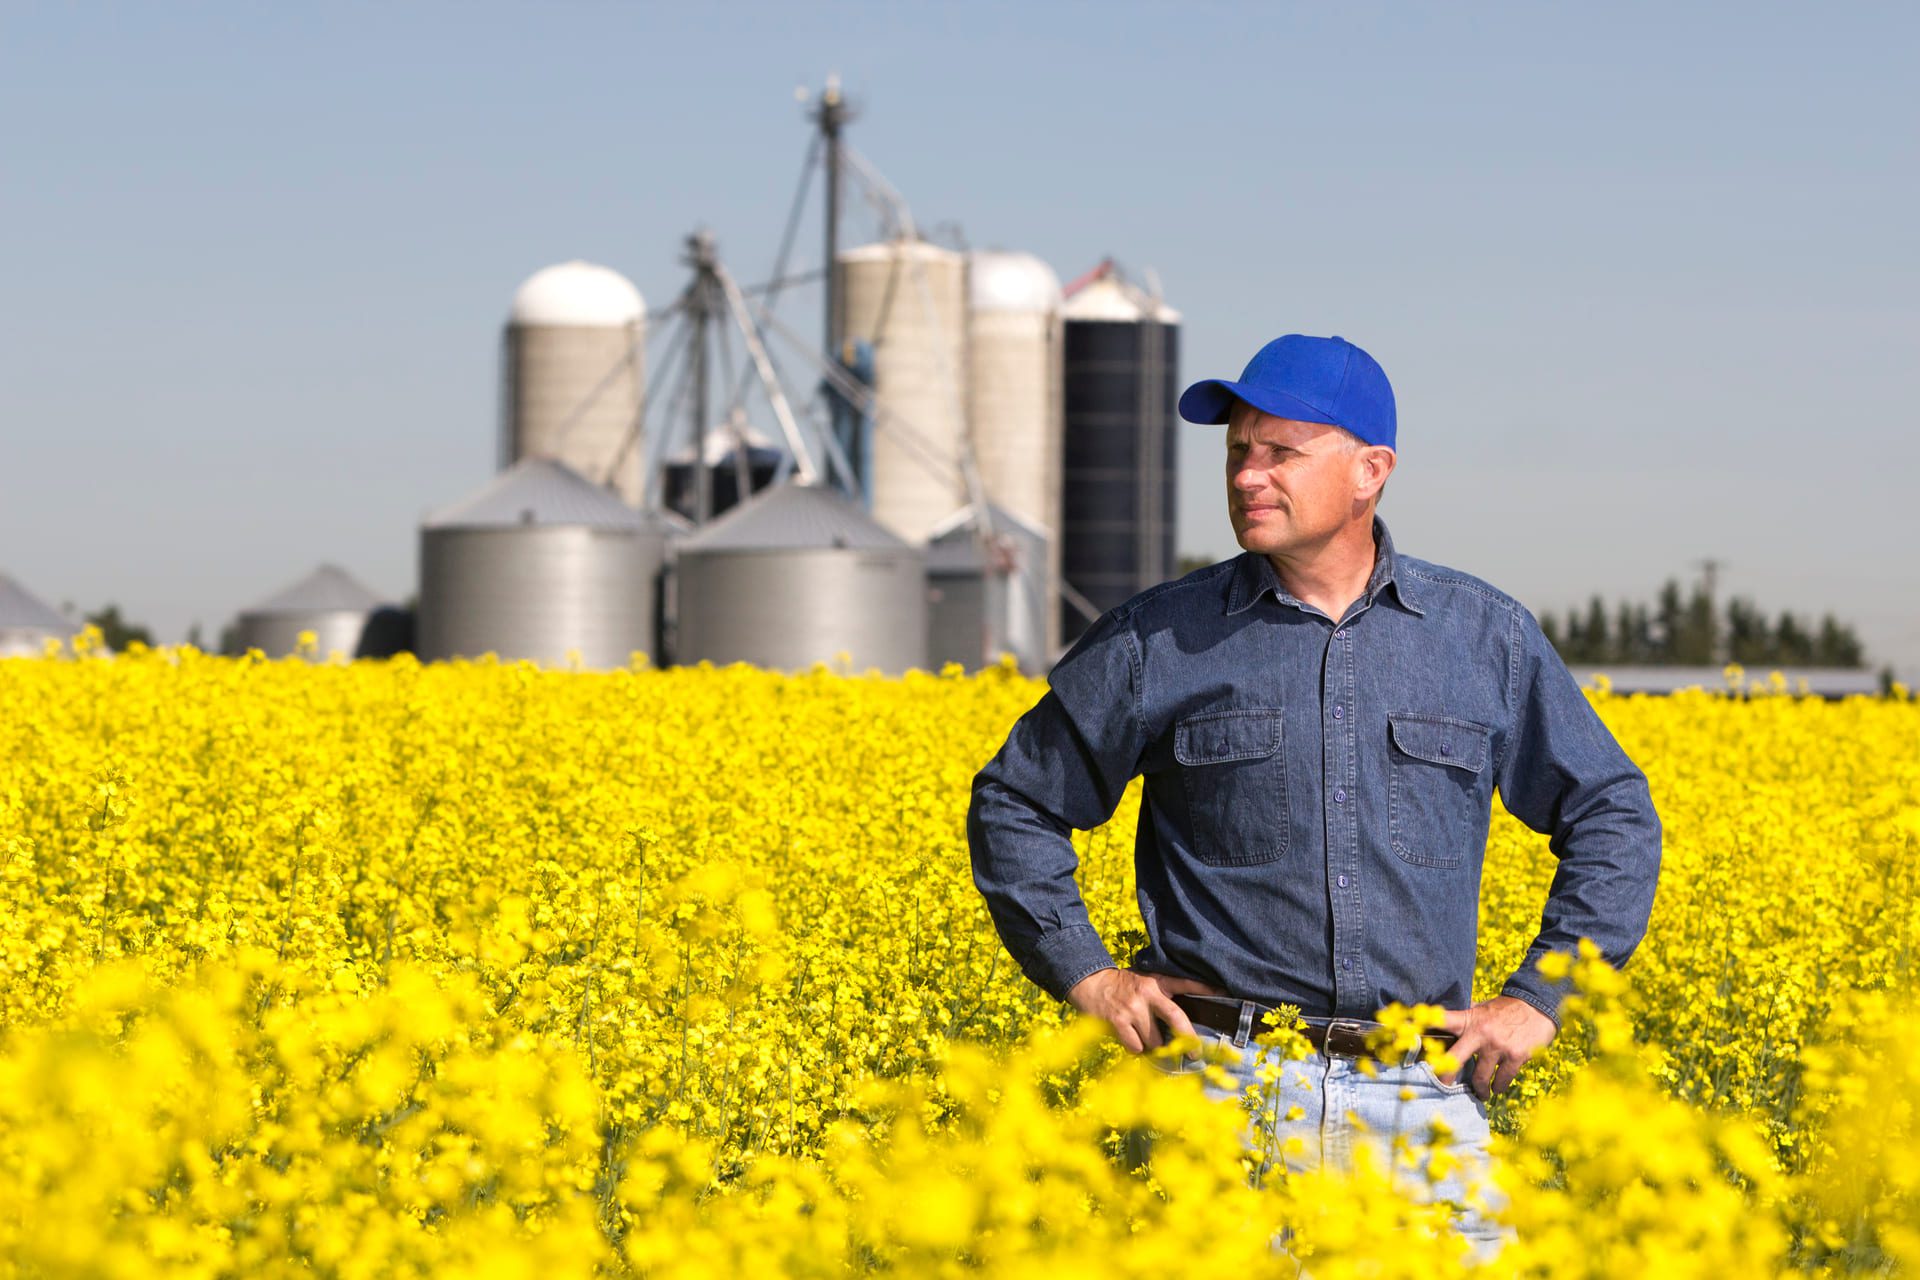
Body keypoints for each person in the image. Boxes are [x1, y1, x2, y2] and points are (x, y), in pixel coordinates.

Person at [966, 333, 1662, 1253]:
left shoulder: (1481, 638)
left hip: (1421, 1100)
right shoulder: (1156, 639)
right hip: (1222, 1097)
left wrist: (1539, 996)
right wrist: (1090, 975)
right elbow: (1016, 801)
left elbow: (1611, 811)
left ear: (1372, 471)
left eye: (1280, 452)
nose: (1248, 475)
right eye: (1236, 453)